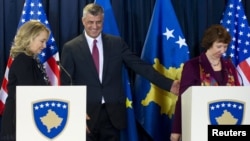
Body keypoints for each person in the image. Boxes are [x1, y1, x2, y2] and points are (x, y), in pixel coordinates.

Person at [60, 3, 180, 141]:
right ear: (83, 21)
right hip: (86, 114)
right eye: (90, 22)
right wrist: (76, 112)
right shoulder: (70, 48)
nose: (94, 26)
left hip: (113, 115)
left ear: (103, 21)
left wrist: (169, 84)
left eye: (98, 22)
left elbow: (140, 66)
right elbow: (66, 84)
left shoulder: (116, 43)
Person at [170, 24, 241, 141]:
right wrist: (176, 130)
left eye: (225, 47)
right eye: (219, 46)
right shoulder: (192, 66)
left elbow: (238, 94)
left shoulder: (229, 66)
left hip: (229, 129)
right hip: (200, 127)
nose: (222, 51)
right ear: (209, 44)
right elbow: (183, 100)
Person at [0, 20, 51, 141]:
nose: (44, 46)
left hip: (26, 122)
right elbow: (30, 94)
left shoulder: (31, 60)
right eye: (42, 41)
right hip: (17, 125)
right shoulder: (23, 61)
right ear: (30, 38)